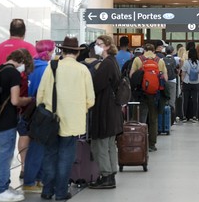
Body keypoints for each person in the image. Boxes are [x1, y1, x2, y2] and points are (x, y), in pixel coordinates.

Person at [37, 36, 95, 200]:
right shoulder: (83, 70)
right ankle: (61, 192)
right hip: (72, 121)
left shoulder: (52, 66)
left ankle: (47, 190)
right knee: (66, 157)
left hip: (51, 119)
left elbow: (40, 94)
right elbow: (90, 99)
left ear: (62, 51)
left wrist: (44, 109)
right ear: (76, 53)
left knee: (50, 155)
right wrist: (78, 109)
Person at [0, 18, 37, 179]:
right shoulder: (29, 48)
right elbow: (34, 72)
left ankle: (4, 179)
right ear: (24, 33)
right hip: (22, 102)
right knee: (24, 135)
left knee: (3, 147)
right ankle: (24, 167)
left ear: (9, 31)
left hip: (0, 105)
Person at [0, 49, 33, 202]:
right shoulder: (14, 74)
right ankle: (1, 190)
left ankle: (4, 186)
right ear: (22, 61)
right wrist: (27, 100)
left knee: (1, 153)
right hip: (7, 120)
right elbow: (15, 100)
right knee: (5, 155)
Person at [88, 35, 123, 189]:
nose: (97, 46)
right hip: (112, 109)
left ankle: (106, 175)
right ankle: (111, 174)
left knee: (100, 143)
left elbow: (96, 85)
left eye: (99, 44)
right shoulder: (112, 62)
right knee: (109, 143)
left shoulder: (106, 64)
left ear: (107, 46)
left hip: (105, 109)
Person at [22, 40, 56, 193]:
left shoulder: (31, 67)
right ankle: (30, 181)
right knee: (38, 148)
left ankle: (36, 179)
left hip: (29, 112)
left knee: (36, 146)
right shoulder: (46, 70)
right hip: (42, 112)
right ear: (48, 51)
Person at [129, 43, 168, 152]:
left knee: (141, 118)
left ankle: (140, 141)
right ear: (154, 51)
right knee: (153, 119)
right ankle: (152, 144)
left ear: (144, 50)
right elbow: (165, 77)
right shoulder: (159, 60)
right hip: (155, 94)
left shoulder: (138, 59)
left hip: (141, 94)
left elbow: (131, 75)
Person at [181, 48, 199, 123]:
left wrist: (182, 81)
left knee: (185, 100)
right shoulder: (198, 63)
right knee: (195, 100)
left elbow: (183, 74)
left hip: (187, 83)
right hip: (196, 84)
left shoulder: (186, 62)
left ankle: (184, 116)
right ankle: (195, 116)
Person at [163, 45, 177, 110]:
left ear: (165, 52)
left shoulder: (162, 59)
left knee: (165, 98)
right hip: (173, 80)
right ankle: (172, 116)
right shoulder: (175, 59)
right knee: (172, 99)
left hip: (164, 80)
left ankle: (165, 115)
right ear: (172, 51)